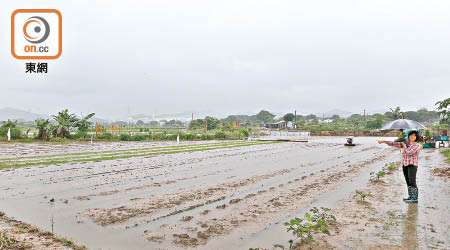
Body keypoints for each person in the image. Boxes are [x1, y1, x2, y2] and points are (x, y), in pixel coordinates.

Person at [377, 130, 422, 203]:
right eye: (411, 135)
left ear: (416, 137)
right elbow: (394, 144)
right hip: (405, 164)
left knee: (412, 181)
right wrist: (384, 141)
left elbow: (409, 152)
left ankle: (415, 198)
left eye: (414, 135)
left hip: (412, 165)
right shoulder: (406, 143)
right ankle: (410, 196)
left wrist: (404, 147)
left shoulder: (417, 145)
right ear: (408, 136)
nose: (412, 136)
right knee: (407, 181)